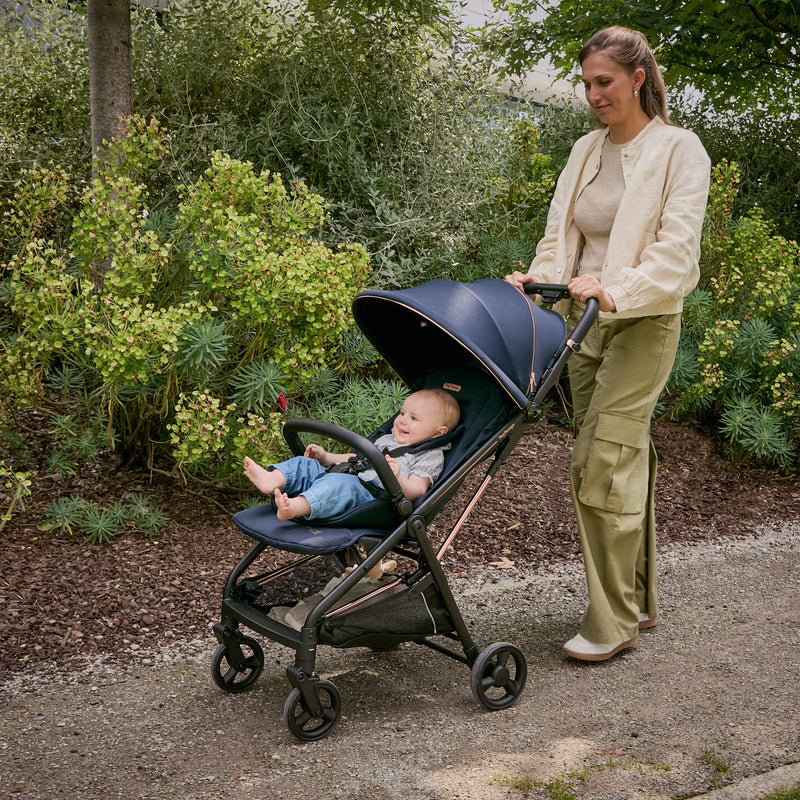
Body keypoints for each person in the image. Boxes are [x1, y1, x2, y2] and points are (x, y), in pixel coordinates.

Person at [506, 26, 711, 661]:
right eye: (587, 83)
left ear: (638, 79)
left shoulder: (678, 149)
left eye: (606, 81)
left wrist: (616, 289)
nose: (594, 94)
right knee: (625, 462)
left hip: (642, 322)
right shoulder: (585, 150)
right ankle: (640, 599)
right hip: (584, 326)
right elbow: (558, 236)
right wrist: (537, 281)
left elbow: (677, 256)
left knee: (599, 466)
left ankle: (612, 621)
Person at [244, 388, 460, 521]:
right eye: (402, 413)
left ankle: (295, 507)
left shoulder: (429, 456)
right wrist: (327, 458)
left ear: (438, 432)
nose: (402, 420)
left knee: (339, 486)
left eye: (414, 418)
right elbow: (357, 459)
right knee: (305, 464)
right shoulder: (388, 439)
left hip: (371, 497)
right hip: (346, 475)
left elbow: (418, 489)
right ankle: (272, 478)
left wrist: (399, 478)